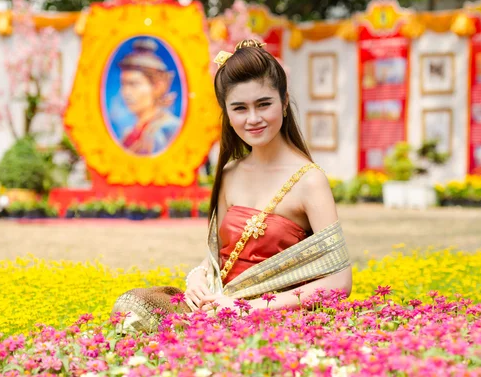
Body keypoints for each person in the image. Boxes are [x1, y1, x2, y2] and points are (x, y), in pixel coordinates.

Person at [111, 39, 352, 333]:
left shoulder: (309, 181)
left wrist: (249, 309)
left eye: (264, 104)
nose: (253, 119)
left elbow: (340, 281)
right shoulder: (230, 172)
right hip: (217, 306)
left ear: (285, 102)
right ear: (227, 112)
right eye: (240, 108)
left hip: (270, 315)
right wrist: (199, 275)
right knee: (130, 306)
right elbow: (223, 255)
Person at [115, 38, 181, 155]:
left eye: (133, 84)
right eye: (123, 84)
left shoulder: (168, 129)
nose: (126, 92)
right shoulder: (129, 133)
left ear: (157, 87)